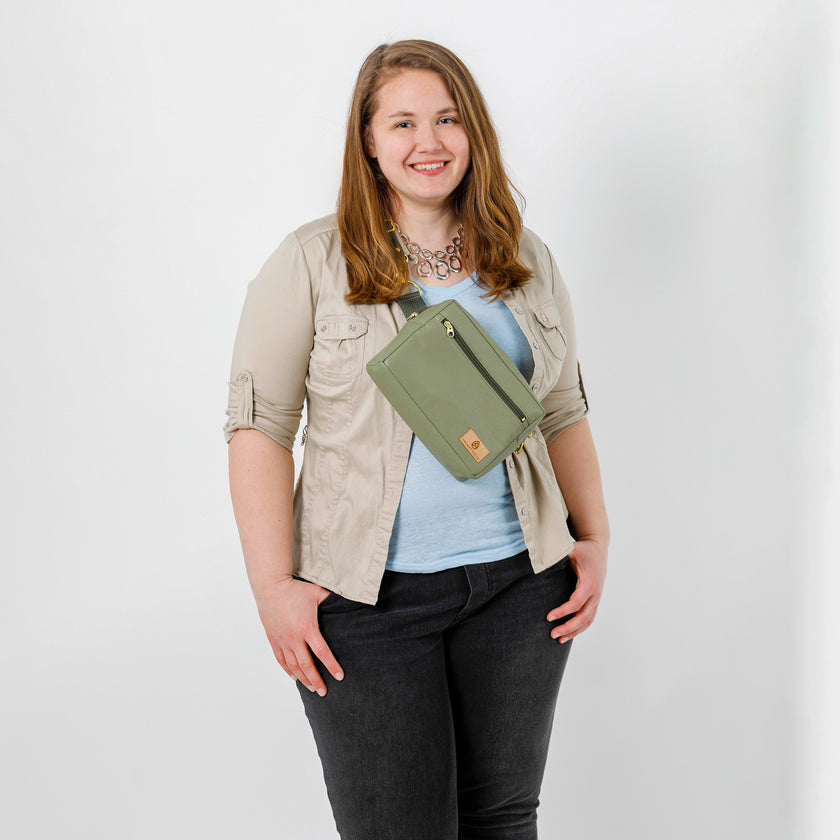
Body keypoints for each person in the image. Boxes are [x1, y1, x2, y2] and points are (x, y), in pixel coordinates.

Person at [225, 39, 609, 840]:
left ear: (474, 133)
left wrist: (595, 535)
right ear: (368, 140)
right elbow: (258, 427)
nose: (427, 142)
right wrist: (273, 587)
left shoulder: (526, 260)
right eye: (402, 123)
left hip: (518, 588)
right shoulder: (312, 261)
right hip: (365, 604)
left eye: (446, 118)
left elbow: (563, 408)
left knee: (502, 820)